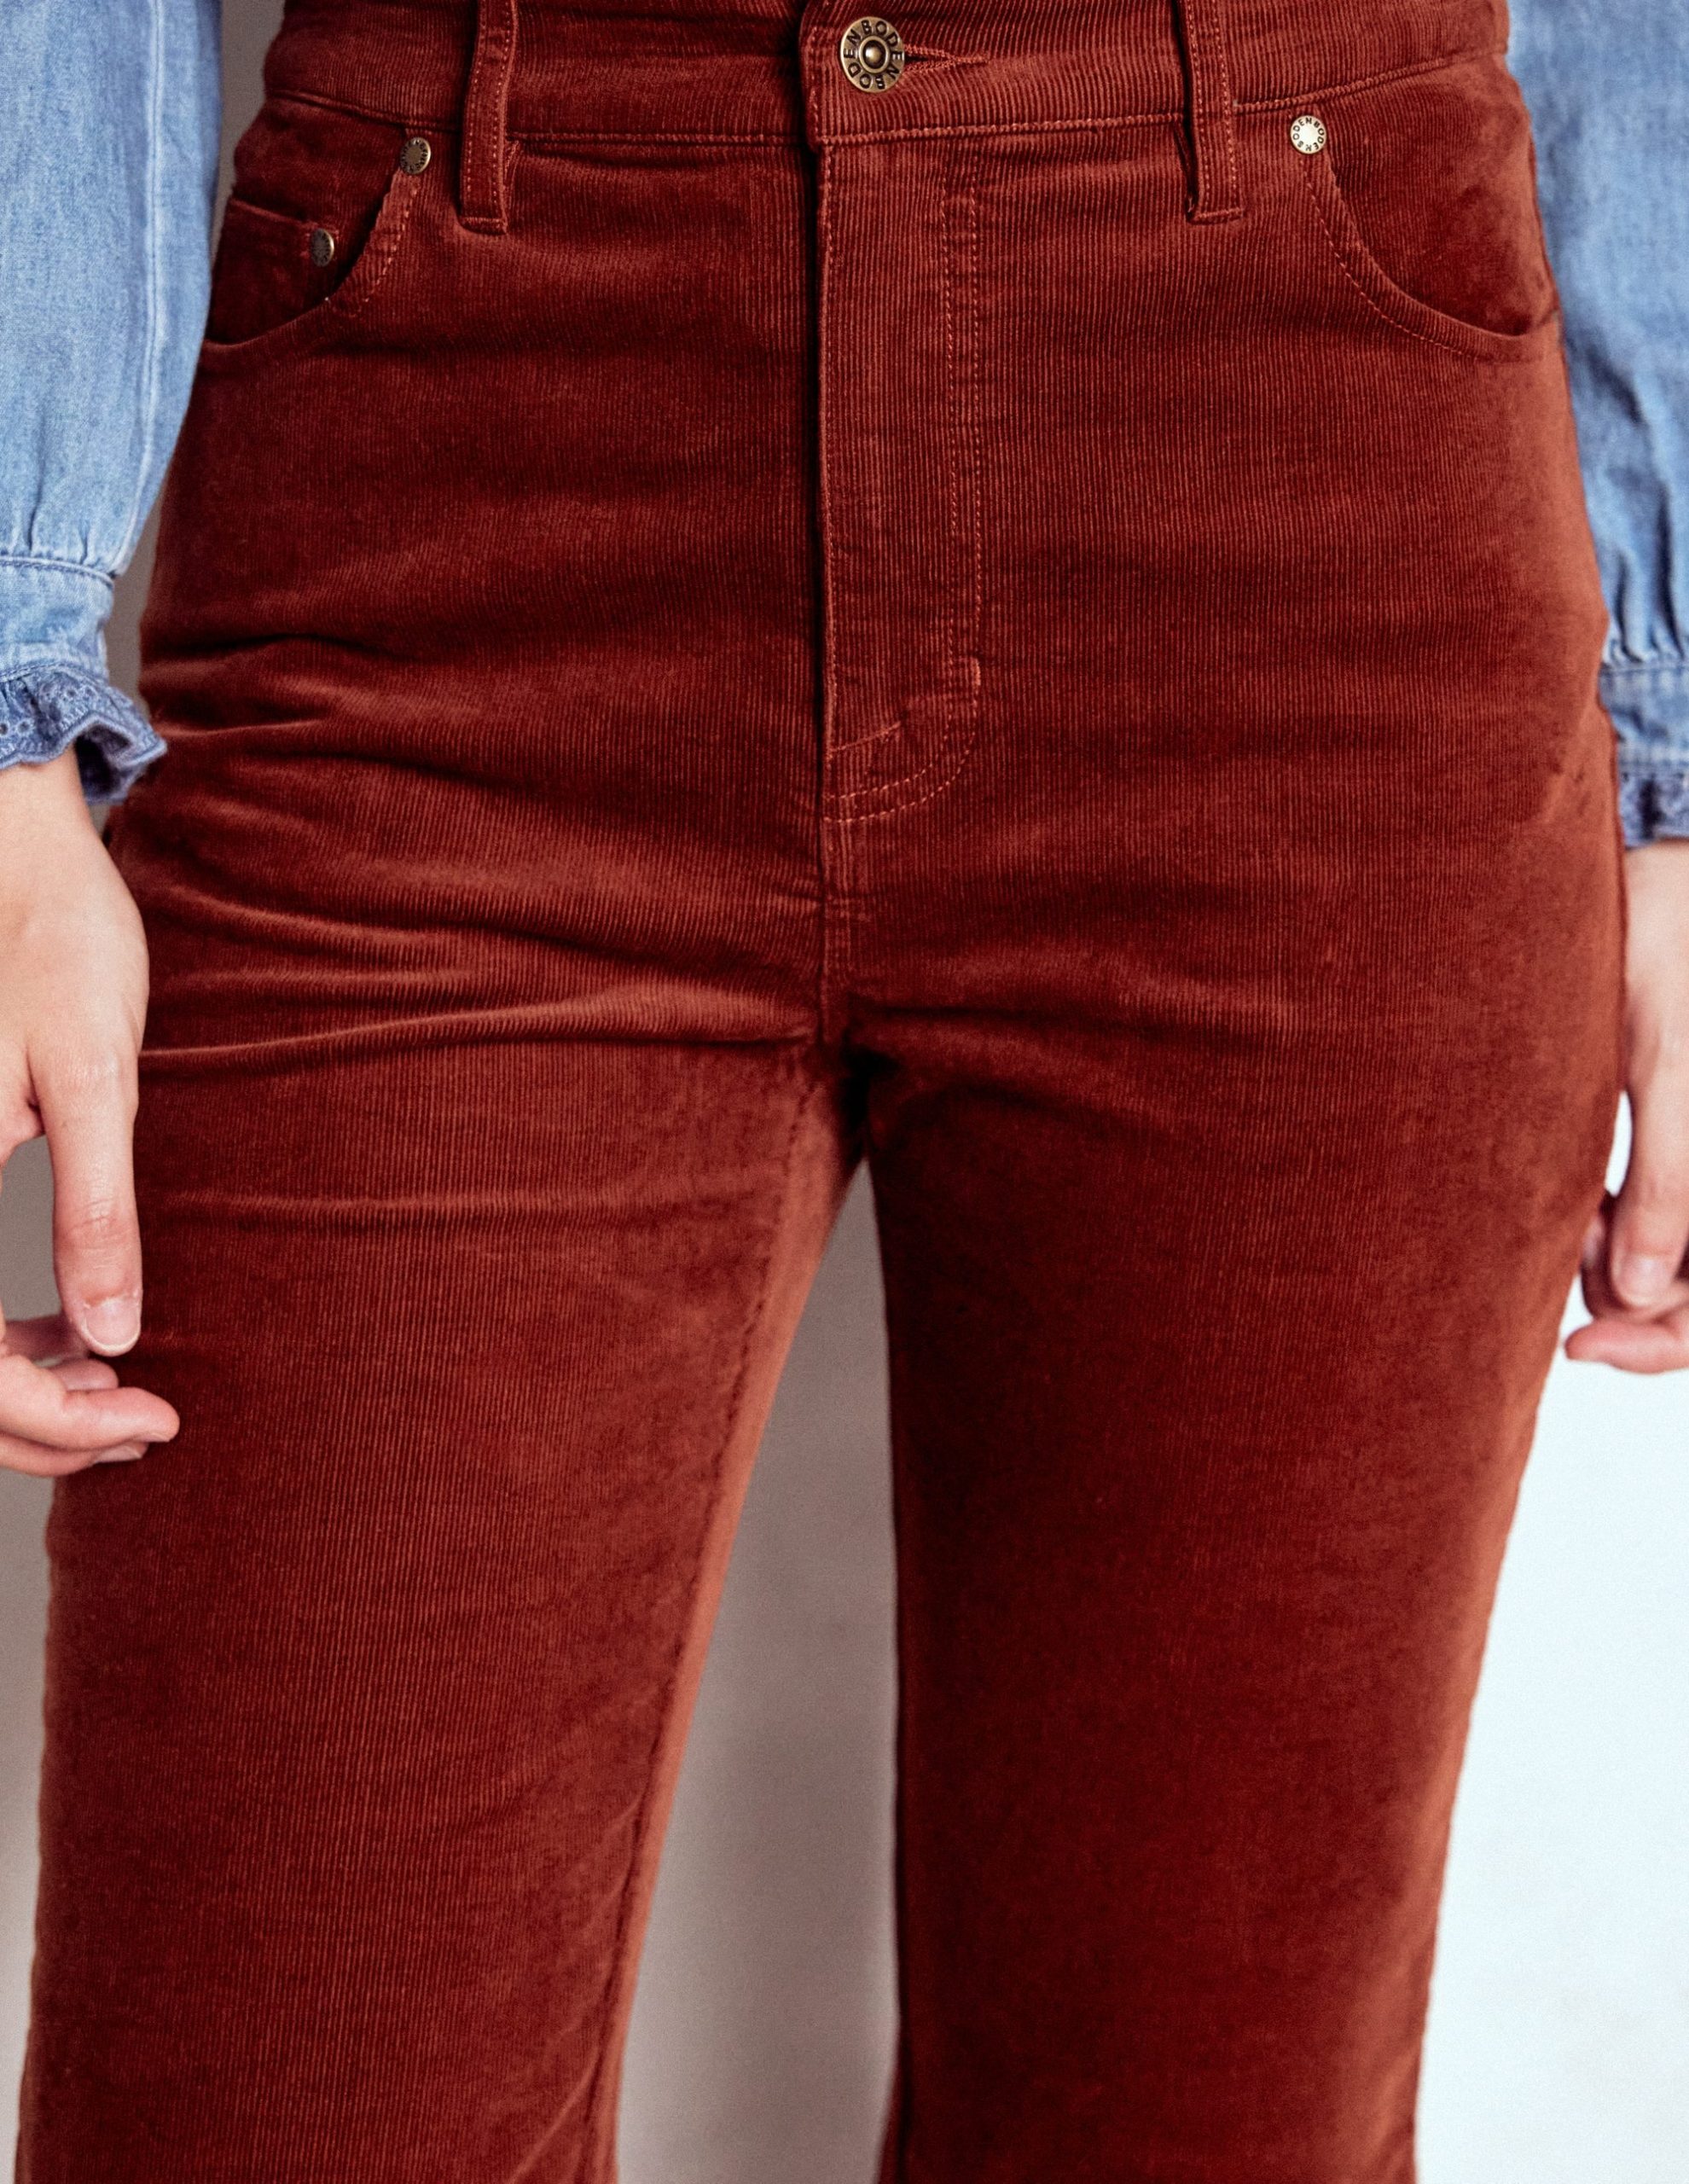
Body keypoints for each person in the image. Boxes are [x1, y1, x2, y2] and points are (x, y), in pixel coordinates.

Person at [1, 0, 1684, 2175]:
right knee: (269, 2099)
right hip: (451, 463)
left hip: (1322, 471)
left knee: (1189, 2106)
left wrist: (1673, 755)